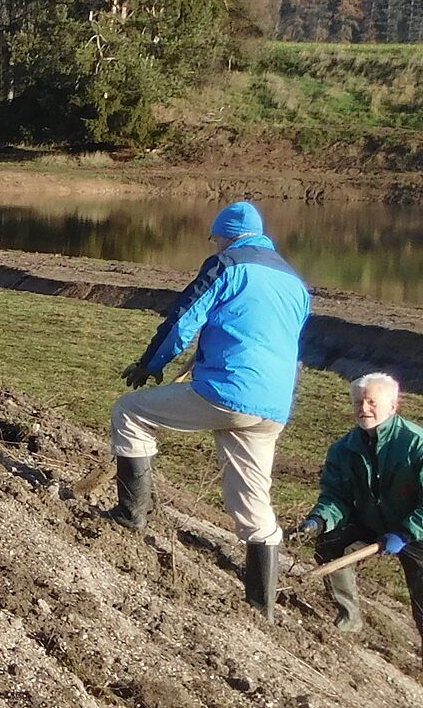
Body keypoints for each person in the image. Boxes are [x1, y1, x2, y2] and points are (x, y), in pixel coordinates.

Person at [113, 199, 311, 621]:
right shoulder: (295, 283)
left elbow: (183, 319)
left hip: (226, 392)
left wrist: (150, 365)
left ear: (227, 235)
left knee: (130, 412)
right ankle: (262, 609)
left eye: (217, 237)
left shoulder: (226, 264)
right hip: (274, 407)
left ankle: (131, 518)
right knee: (253, 501)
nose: (215, 243)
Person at [296, 372, 423, 641]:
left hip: (416, 531)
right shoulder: (343, 449)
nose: (363, 409)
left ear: (393, 405)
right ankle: (349, 620)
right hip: (373, 522)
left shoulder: (416, 444)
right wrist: (319, 520)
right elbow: (336, 496)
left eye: (371, 402)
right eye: (357, 403)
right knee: (330, 542)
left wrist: (406, 532)